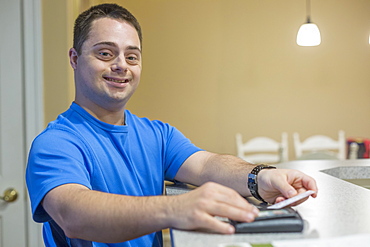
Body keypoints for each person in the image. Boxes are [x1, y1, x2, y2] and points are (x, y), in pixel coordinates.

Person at [26, 3, 318, 247]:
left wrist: (259, 177)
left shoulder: (157, 134)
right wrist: (176, 208)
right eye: (105, 53)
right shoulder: (56, 143)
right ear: (75, 59)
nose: (121, 65)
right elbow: (74, 215)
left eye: (132, 56)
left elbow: (206, 165)